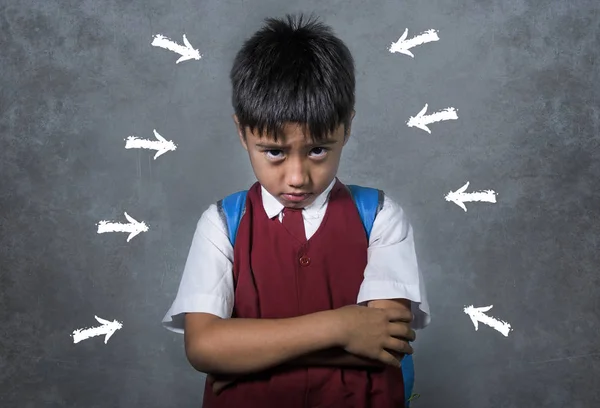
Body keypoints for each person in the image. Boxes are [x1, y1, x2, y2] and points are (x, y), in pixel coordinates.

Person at [162, 12, 431, 408]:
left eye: (318, 149)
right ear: (242, 132)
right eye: (274, 152)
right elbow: (203, 347)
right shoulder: (222, 223)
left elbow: (384, 342)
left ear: (347, 127)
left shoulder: (380, 217)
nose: (297, 177)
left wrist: (244, 355)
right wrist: (341, 326)